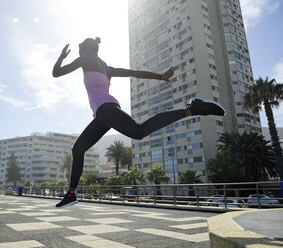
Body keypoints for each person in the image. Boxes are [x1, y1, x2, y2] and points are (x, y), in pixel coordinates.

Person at [52, 37, 225, 208]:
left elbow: (56, 73)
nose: (79, 52)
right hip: (103, 113)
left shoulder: (85, 59)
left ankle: (193, 109)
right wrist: (160, 76)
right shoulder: (107, 68)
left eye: (80, 49)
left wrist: (61, 57)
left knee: (138, 131)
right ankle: (71, 194)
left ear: (86, 49)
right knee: (78, 148)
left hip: (106, 109)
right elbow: (133, 73)